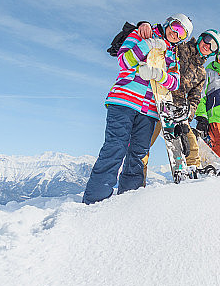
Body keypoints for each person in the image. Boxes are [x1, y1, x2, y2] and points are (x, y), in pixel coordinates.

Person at [82, 14, 191, 204]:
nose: (176, 33)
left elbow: (174, 83)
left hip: (149, 110)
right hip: (124, 102)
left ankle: (127, 202)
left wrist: (158, 75)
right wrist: (148, 45)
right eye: (175, 27)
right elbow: (123, 60)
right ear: (168, 23)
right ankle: (95, 201)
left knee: (138, 155)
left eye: (182, 34)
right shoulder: (141, 34)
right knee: (115, 148)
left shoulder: (172, 53)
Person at [141, 27, 220, 181]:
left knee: (191, 146)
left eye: (213, 47)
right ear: (201, 38)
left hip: (178, 111)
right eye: (207, 40)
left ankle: (193, 179)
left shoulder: (202, 73)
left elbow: (195, 98)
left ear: (213, 53)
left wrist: (187, 118)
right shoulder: (181, 48)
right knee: (144, 144)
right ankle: (137, 183)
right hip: (157, 101)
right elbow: (165, 42)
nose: (208, 46)